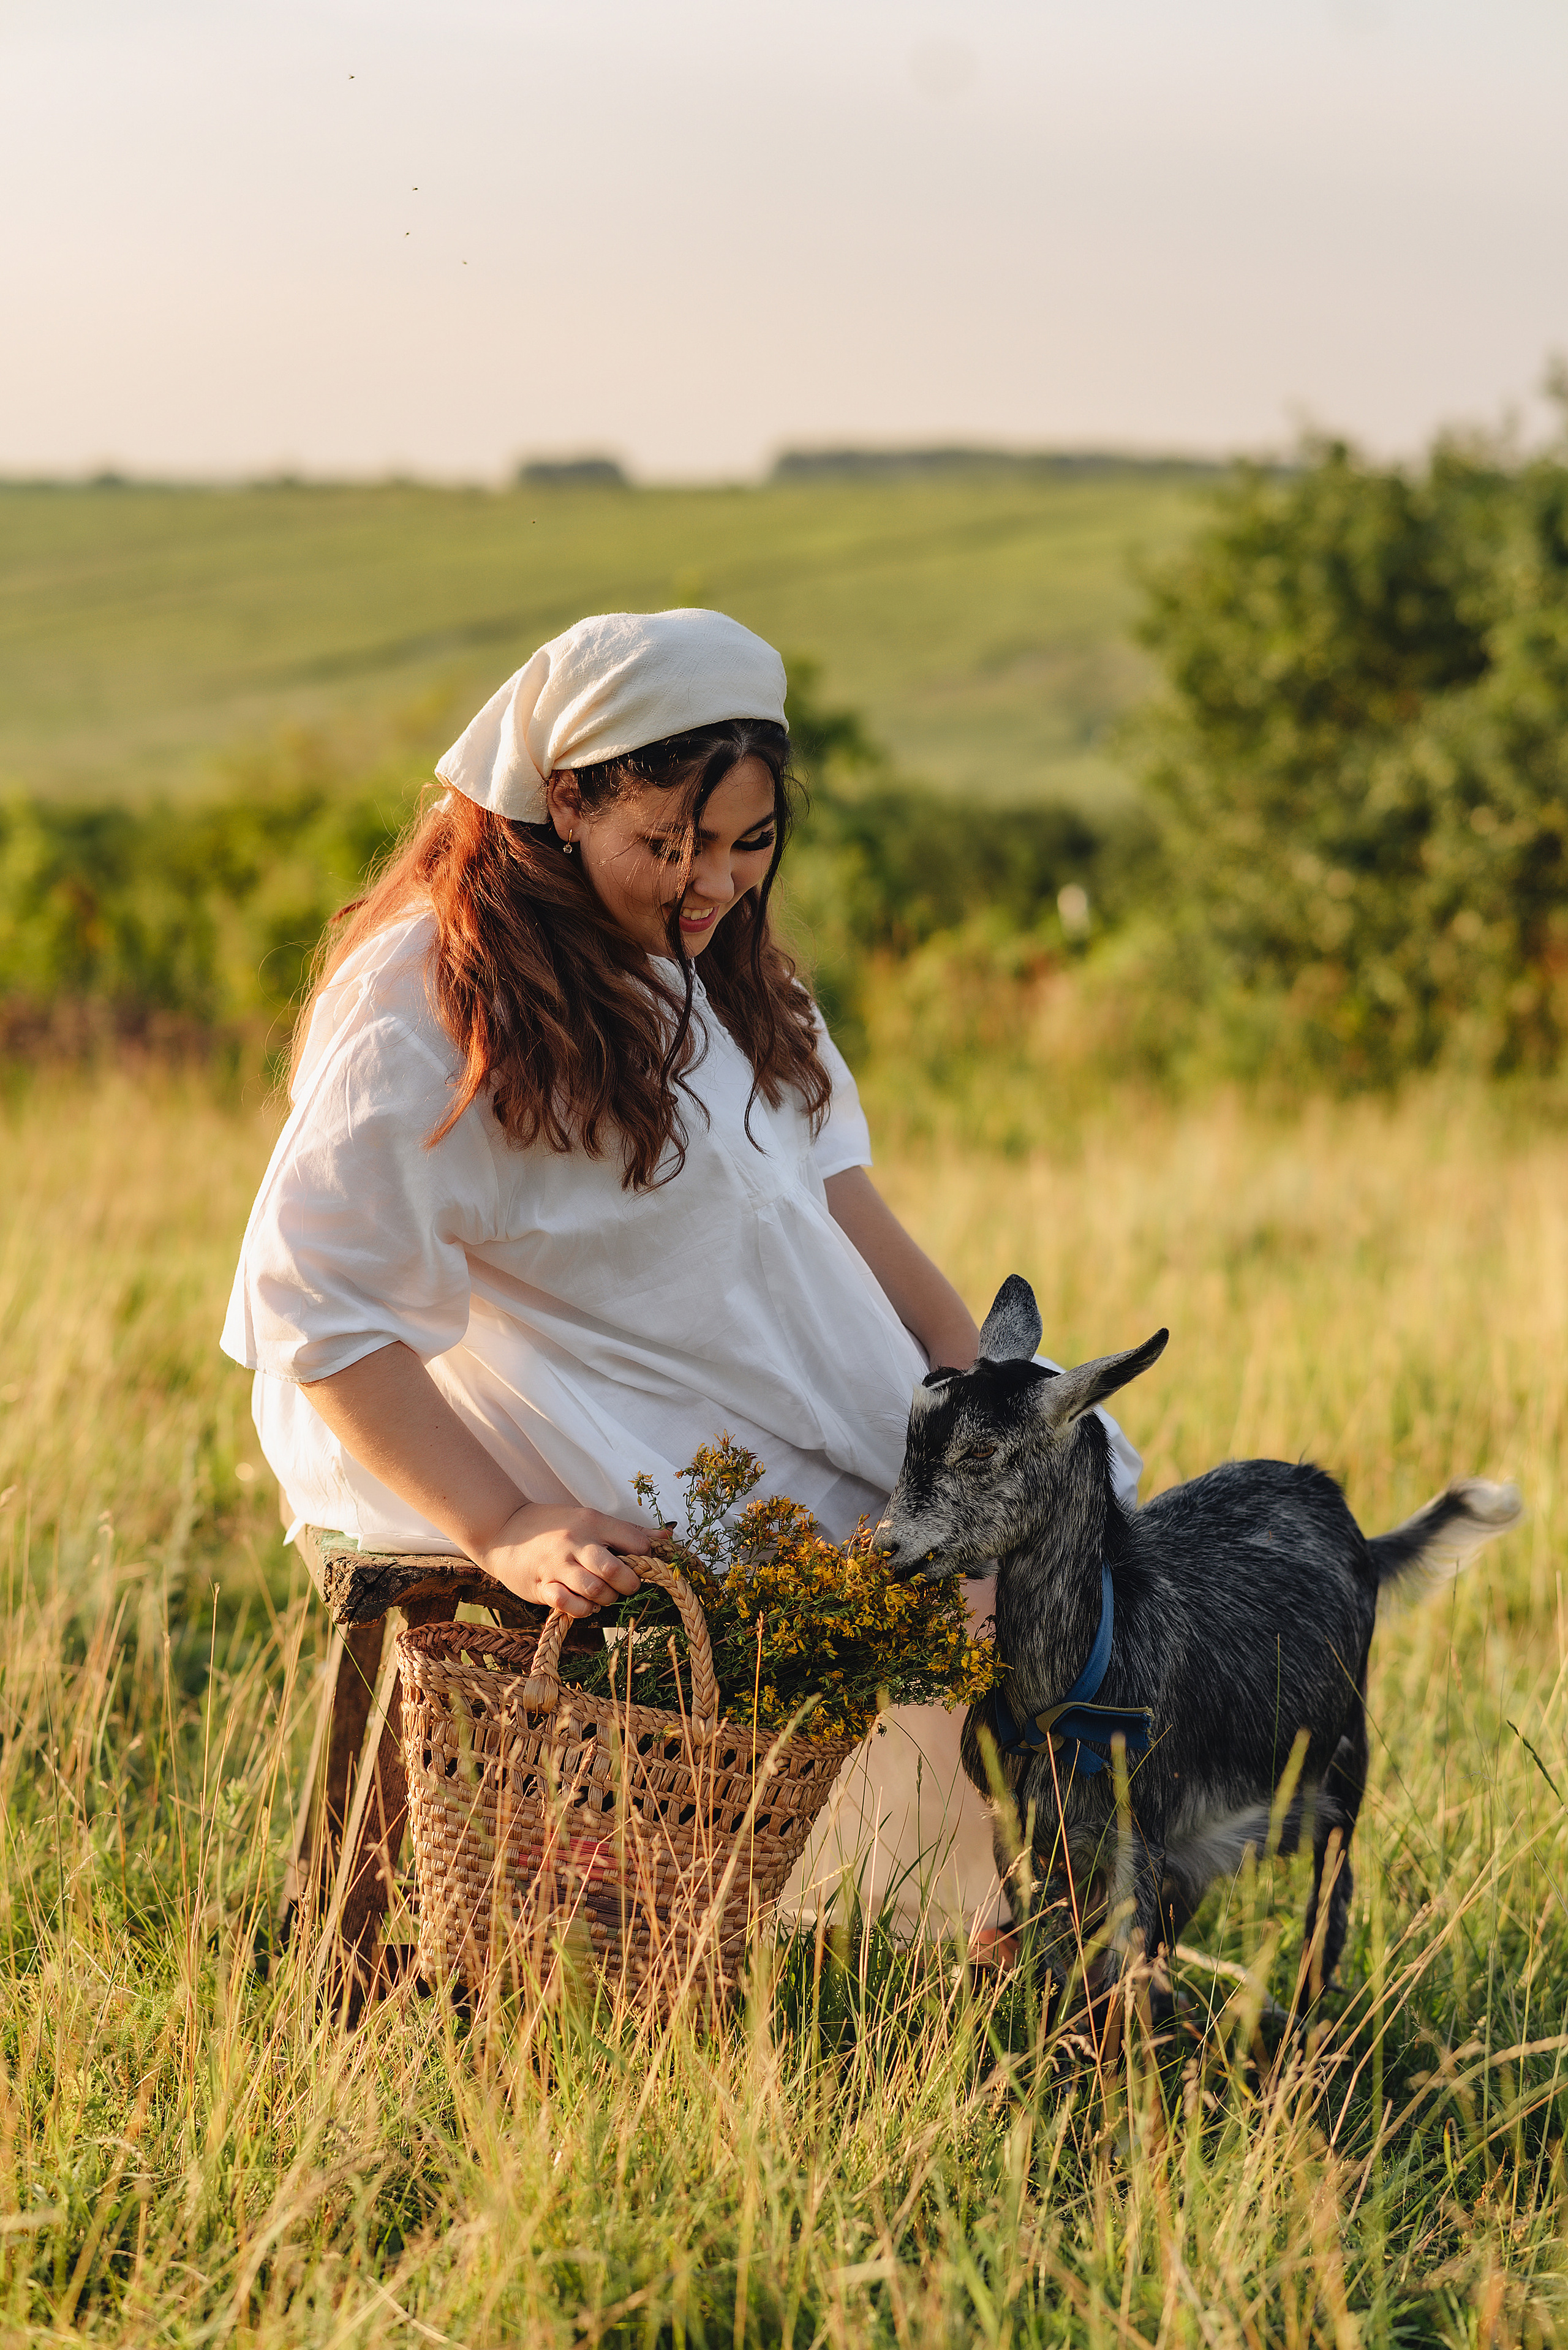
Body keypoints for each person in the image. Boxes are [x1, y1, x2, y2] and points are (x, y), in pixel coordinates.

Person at [222, 607, 1138, 1934]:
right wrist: (504, 1525)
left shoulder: (732, 974)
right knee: (882, 1569)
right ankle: (964, 1928)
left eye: (747, 842)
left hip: (772, 1377)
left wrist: (977, 1410)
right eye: (668, 843)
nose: (711, 882)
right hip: (576, 1410)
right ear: (564, 801)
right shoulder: (430, 998)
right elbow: (318, 1304)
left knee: (1068, 1491)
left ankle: (1052, 1923)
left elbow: (844, 1211)